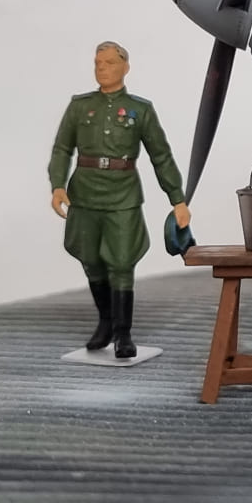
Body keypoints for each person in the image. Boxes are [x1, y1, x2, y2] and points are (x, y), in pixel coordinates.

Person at [49, 42, 191, 359]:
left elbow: (161, 155)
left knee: (122, 262)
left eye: (110, 63)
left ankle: (123, 333)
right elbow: (62, 148)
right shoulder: (79, 106)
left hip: (122, 194)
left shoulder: (140, 110)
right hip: (84, 194)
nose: (102, 68)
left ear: (125, 67)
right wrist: (57, 185)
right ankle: (105, 323)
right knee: (91, 259)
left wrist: (177, 199)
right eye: (98, 63)